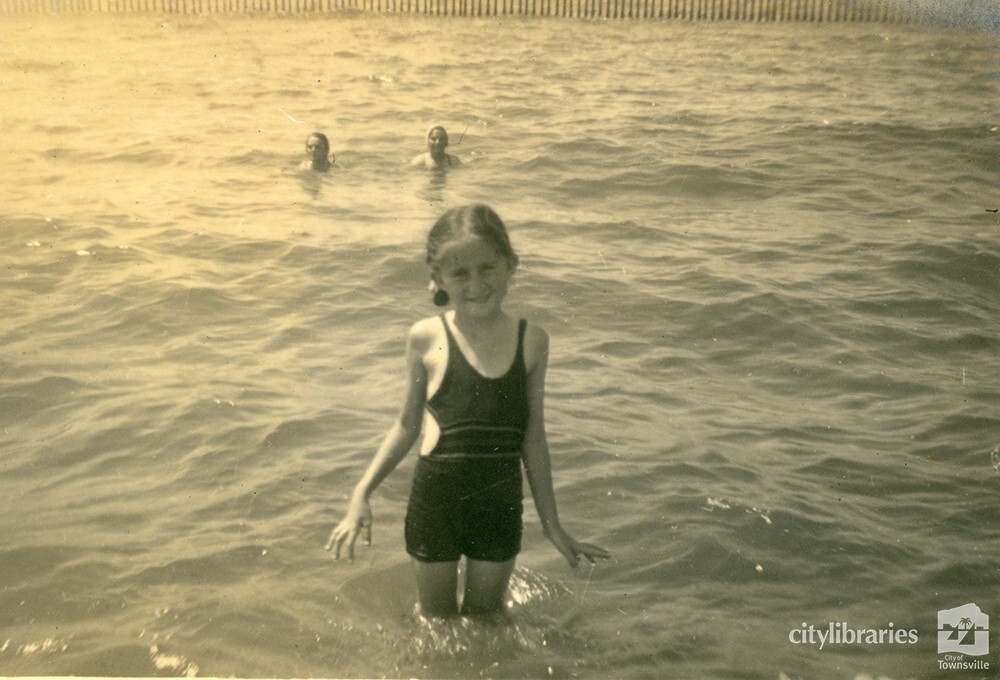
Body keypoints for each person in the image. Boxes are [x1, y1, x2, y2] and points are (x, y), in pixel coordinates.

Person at [326, 204, 609, 618]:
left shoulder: (532, 341)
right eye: (460, 273)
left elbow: (533, 439)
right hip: (434, 505)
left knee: (487, 620)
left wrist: (552, 525)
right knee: (434, 620)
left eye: (487, 267)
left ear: (510, 265)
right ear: (438, 279)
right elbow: (405, 427)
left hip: (500, 507)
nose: (476, 283)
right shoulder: (426, 337)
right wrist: (360, 494)